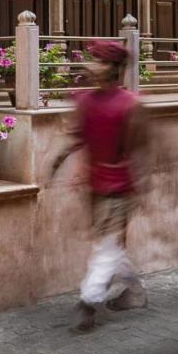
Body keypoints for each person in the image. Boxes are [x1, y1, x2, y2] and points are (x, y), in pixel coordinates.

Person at [48, 39, 150, 332]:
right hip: (94, 184)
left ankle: (88, 302)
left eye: (100, 61)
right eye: (93, 59)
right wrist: (57, 161)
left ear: (114, 69)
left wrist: (143, 185)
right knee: (110, 245)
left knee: (106, 246)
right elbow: (77, 136)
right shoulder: (84, 100)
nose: (92, 66)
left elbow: (140, 147)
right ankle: (135, 292)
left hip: (119, 185)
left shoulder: (130, 105)